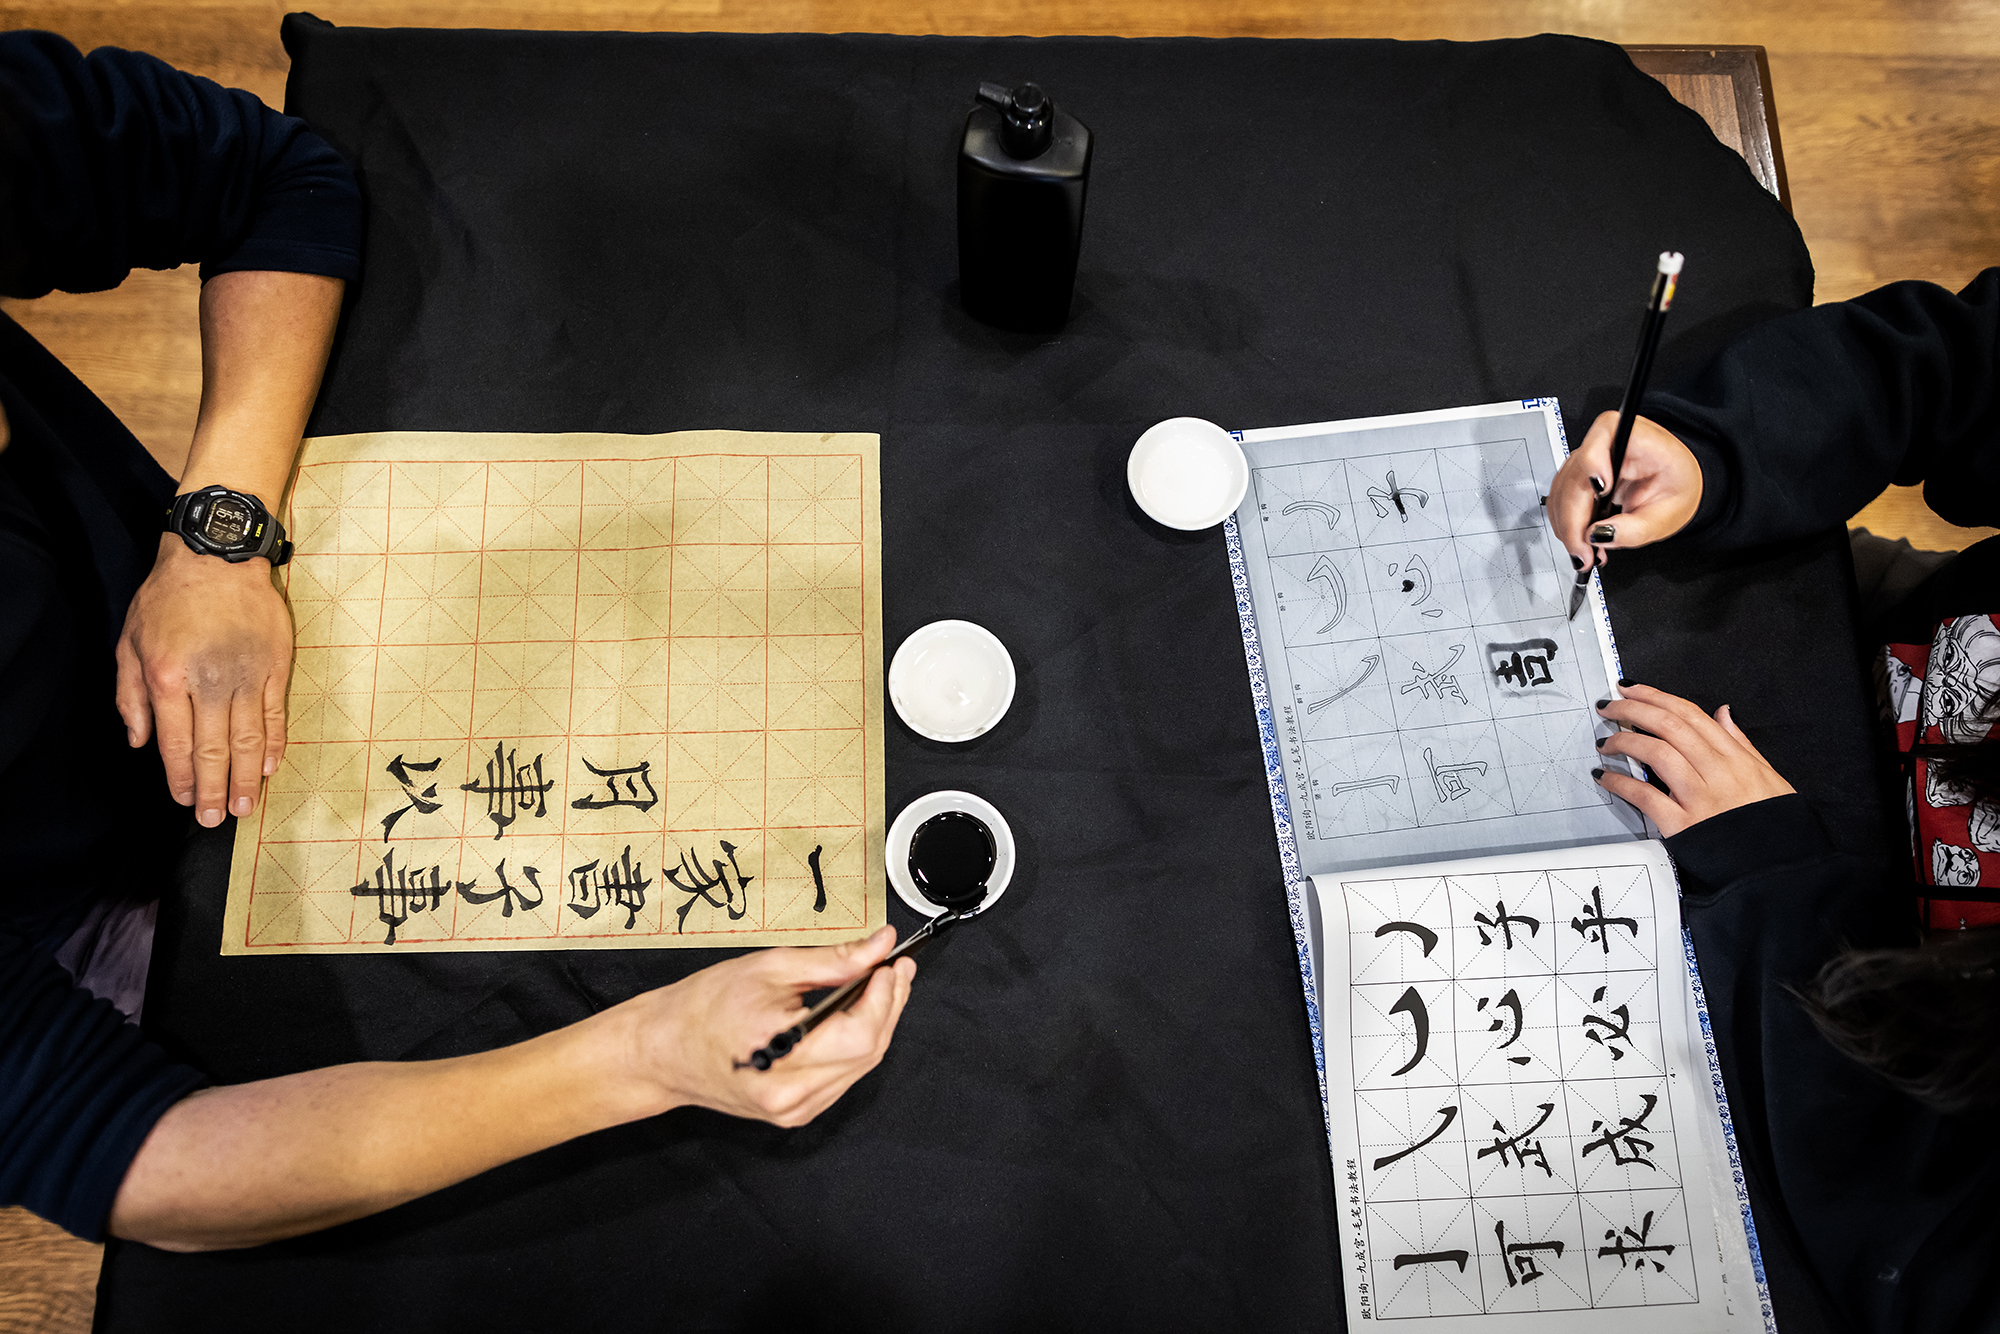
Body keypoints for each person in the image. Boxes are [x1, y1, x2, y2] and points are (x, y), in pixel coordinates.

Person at [0, 31, 914, 1254]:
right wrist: (642, 1051)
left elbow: (276, 177)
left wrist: (217, 534)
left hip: (215, 628)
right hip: (57, 926)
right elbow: (146, 1158)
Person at [1545, 270, 2000, 1331]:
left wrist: (1786, 895)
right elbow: (1950, 364)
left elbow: (1942, 1262)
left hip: (1866, 1032)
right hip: (1894, 653)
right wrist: (1720, 453)